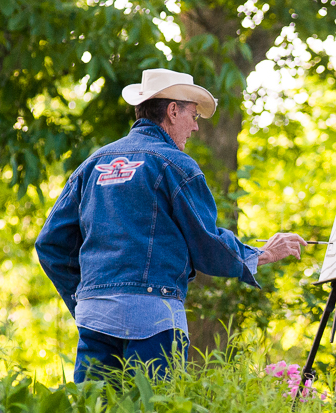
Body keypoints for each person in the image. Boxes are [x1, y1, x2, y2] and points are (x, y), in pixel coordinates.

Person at [35, 68, 307, 382]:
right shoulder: (177, 164)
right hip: (153, 316)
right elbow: (206, 243)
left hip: (95, 315)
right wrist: (259, 255)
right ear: (173, 110)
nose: (195, 127)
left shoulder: (93, 164)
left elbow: (50, 244)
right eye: (193, 115)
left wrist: (85, 296)